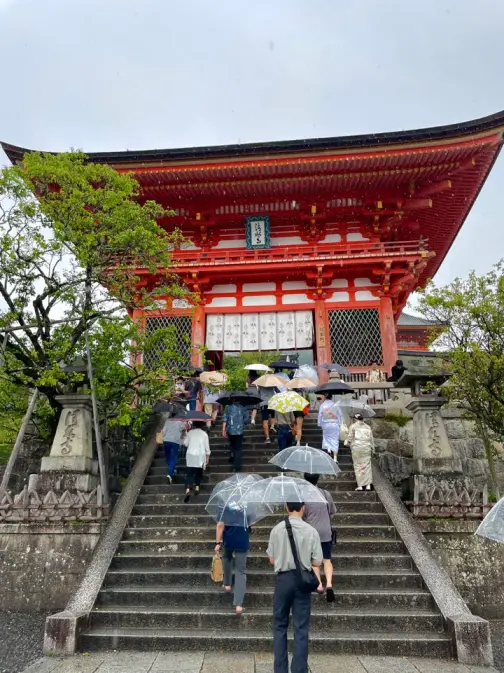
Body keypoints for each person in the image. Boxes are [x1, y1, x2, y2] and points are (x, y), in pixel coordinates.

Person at [267, 501, 323, 673]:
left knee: (279, 625)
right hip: (303, 581)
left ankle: (280, 669)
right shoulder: (311, 531)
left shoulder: (276, 529)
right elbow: (317, 561)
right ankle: (299, 669)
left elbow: (271, 559)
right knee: (301, 627)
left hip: (283, 580)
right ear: (303, 507)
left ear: (286, 507)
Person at [302, 474, 336, 602]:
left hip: (311, 533)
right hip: (326, 531)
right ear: (318, 479)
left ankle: (319, 585)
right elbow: (332, 512)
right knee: (327, 559)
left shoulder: (304, 496)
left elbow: (302, 515)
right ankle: (329, 584)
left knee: (314, 560)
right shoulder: (325, 494)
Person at [215, 513, 250, 615]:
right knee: (240, 571)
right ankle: (239, 605)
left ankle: (227, 584)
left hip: (229, 537)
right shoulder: (248, 502)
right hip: (242, 538)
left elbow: (220, 525)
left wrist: (217, 543)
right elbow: (252, 520)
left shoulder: (224, 503)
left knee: (227, 557)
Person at [183, 421, 210, 503]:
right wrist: (207, 456)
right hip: (200, 455)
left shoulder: (190, 433)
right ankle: (197, 487)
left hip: (191, 454)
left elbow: (185, 443)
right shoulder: (204, 434)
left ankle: (188, 489)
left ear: (194, 425)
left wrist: (185, 435)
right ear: (202, 425)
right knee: (198, 471)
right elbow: (207, 447)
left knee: (190, 472)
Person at [347, 413, 375, 491]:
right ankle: (368, 485)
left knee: (358, 465)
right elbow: (371, 439)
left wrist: (347, 442)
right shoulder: (367, 427)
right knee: (367, 465)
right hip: (367, 447)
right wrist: (373, 449)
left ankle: (360, 485)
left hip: (357, 447)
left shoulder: (353, 426)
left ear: (356, 419)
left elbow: (349, 437)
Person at [222, 397, 249, 473]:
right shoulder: (243, 408)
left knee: (232, 445)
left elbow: (225, 418)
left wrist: (223, 429)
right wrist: (242, 423)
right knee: (238, 448)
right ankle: (237, 466)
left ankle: (232, 456)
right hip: (239, 431)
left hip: (230, 430)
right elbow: (247, 419)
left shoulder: (228, 408)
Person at [161, 412, 187, 484]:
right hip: (175, 441)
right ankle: (170, 473)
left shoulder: (167, 421)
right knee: (173, 457)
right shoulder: (180, 422)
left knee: (168, 456)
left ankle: (171, 470)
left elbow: (163, 431)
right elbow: (183, 429)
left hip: (166, 440)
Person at [317, 393, 342, 462]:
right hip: (334, 424)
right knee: (335, 440)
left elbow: (320, 415)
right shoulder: (336, 405)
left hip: (326, 424)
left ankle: (328, 449)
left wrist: (320, 424)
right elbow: (340, 415)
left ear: (325, 397)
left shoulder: (323, 405)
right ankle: (335, 458)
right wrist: (339, 424)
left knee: (326, 438)